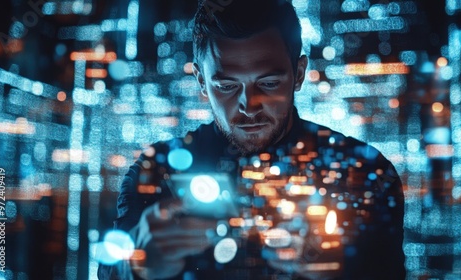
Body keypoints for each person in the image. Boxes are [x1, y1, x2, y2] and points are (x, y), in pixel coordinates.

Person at [98, 0, 405, 279]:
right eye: (227, 86)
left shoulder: (365, 172)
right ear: (201, 81)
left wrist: (341, 271)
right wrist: (137, 265)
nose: (249, 104)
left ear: (298, 75)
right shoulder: (155, 172)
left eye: (269, 83)